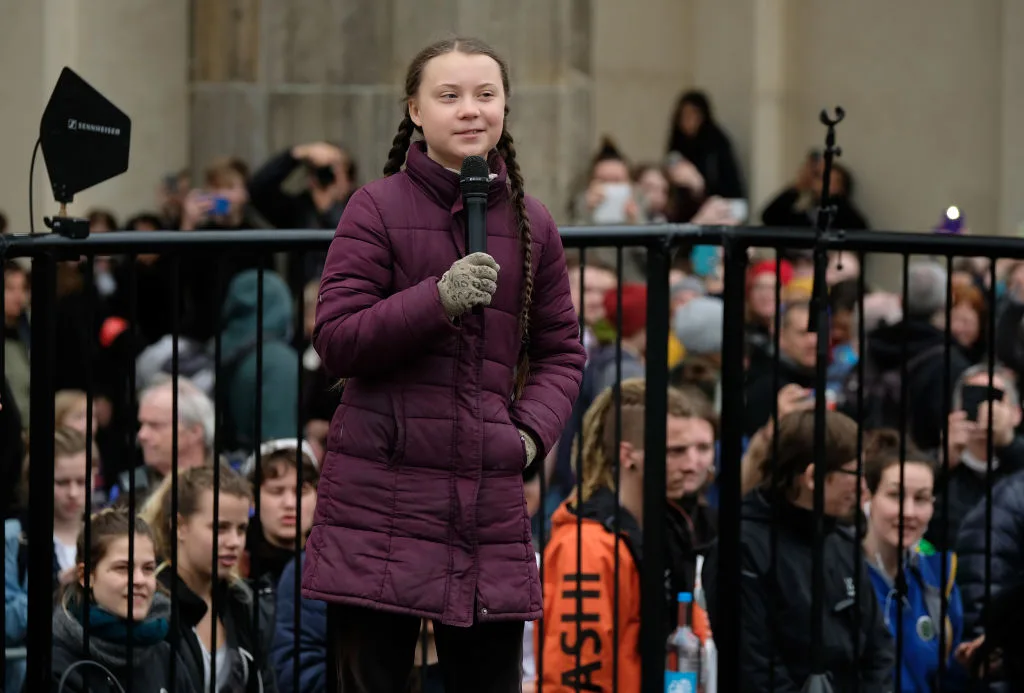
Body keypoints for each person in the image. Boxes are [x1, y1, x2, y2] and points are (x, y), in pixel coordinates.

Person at [304, 36, 586, 693]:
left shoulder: (532, 223)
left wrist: (527, 437)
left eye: (485, 95)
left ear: (506, 109)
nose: (470, 110)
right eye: (449, 95)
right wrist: (436, 300)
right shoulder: (374, 207)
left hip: (484, 499)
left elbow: (561, 350)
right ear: (415, 110)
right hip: (381, 498)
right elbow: (338, 338)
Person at [539, 380, 717, 692]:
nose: (692, 465)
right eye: (675, 451)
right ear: (628, 455)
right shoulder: (588, 545)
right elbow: (575, 675)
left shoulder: (670, 529)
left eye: (701, 449)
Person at [703, 409, 894, 692]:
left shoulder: (841, 542)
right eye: (856, 473)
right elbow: (753, 666)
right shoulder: (743, 547)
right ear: (813, 477)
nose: (864, 488)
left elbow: (878, 648)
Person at [141, 463, 277, 693]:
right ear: (180, 527)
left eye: (241, 529)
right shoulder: (149, 604)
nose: (234, 541)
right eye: (220, 528)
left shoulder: (243, 603)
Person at [50, 506, 197, 693]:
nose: (139, 580)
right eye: (122, 568)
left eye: (148, 568)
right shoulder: (58, 664)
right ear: (85, 576)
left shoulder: (164, 655)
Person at [861, 430, 965, 692]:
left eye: (921, 499)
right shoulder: (838, 572)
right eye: (895, 496)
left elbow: (949, 676)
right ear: (867, 497)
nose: (909, 513)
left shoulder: (939, 577)